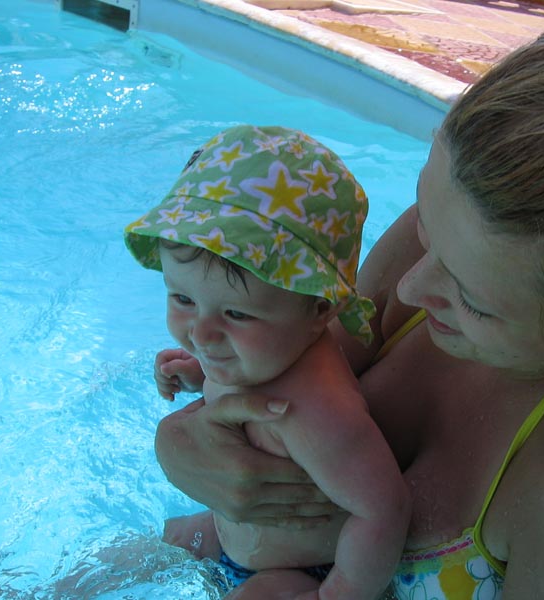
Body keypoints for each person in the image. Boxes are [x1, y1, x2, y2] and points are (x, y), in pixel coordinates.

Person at [154, 16, 544, 600]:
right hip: (235, 548)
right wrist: (182, 445)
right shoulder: (462, 236)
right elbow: (282, 364)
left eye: (471, 300)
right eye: (428, 231)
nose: (411, 288)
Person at [124, 125, 411, 599]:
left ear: (319, 309)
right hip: (229, 533)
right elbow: (231, 375)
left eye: (236, 314)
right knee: (143, 549)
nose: (201, 334)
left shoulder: (318, 409)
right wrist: (199, 372)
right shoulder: (267, 349)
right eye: (183, 299)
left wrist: (336, 593)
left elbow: (383, 510)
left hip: (297, 569)